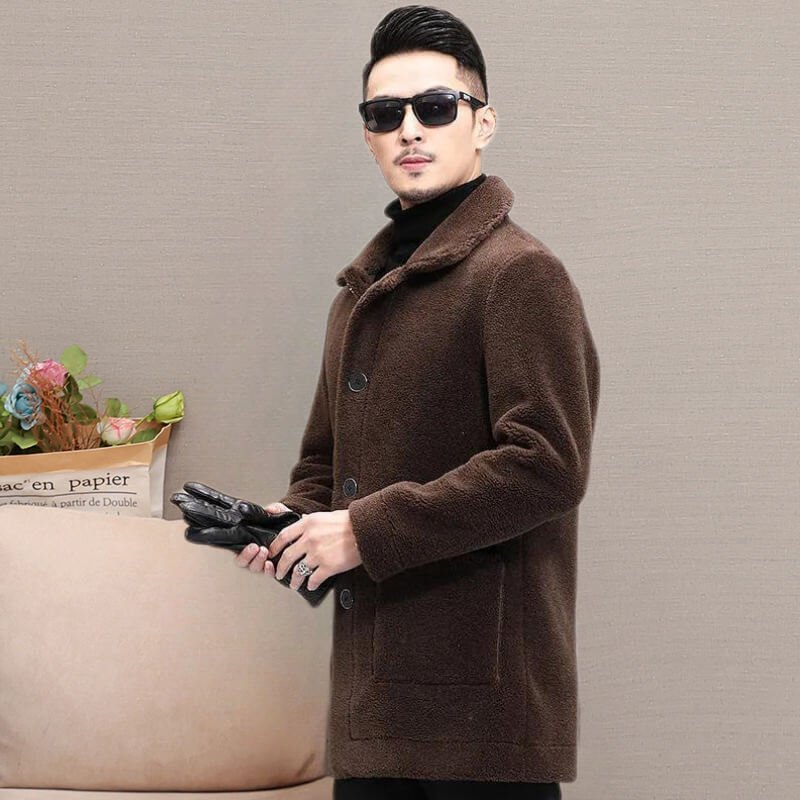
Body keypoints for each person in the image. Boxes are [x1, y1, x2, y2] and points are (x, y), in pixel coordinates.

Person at [235, 5, 600, 799]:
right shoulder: (360, 296)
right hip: (374, 705)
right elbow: (325, 465)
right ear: (367, 135)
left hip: (483, 714)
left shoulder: (518, 274)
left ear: (483, 122)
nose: (409, 128)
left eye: (435, 107)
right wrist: (292, 525)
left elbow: (547, 465)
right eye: (384, 113)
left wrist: (363, 531)